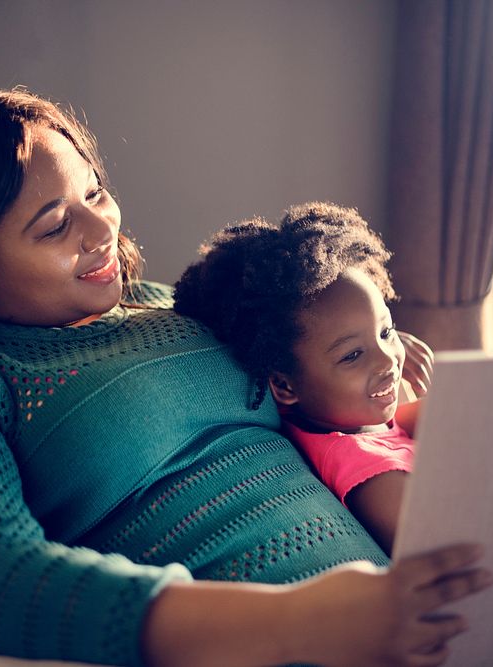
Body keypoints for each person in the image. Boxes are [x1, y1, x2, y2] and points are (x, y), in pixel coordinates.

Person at [0, 88, 493, 667]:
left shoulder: (181, 306)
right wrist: (297, 623)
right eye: (55, 225)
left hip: (414, 624)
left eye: (95, 194)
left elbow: (316, 398)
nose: (101, 228)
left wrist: (374, 353)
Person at [174, 203, 428, 554]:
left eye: (387, 331)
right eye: (352, 355)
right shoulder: (369, 474)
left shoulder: (359, 415)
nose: (388, 360)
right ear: (285, 386)